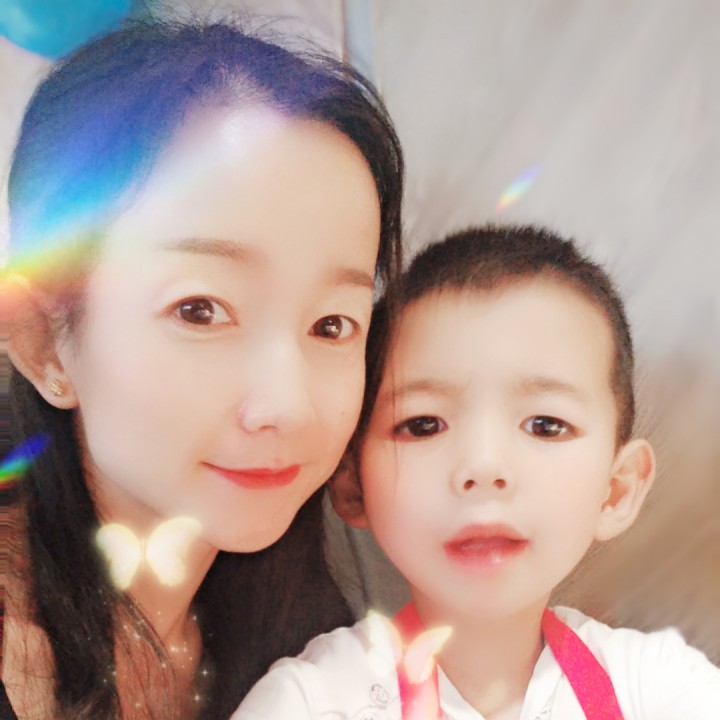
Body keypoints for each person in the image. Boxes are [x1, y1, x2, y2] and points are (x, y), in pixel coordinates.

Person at [0, 16, 403, 720]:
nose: (288, 406)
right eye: (200, 310)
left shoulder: (314, 655)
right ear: (44, 342)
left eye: (331, 325)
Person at [232, 225, 720, 719]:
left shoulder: (660, 686)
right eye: (423, 425)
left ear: (616, 491)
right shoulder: (311, 702)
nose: (483, 468)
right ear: (352, 483)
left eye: (545, 426)